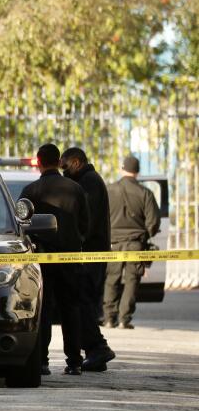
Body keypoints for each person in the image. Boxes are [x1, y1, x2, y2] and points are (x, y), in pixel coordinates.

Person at [20, 143, 88, 376]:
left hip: (42, 260)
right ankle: (74, 362)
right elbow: (84, 225)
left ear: (38, 161)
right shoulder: (75, 189)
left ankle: (42, 361)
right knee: (71, 309)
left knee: (43, 310)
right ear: (59, 162)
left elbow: (21, 226)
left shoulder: (31, 191)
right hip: (70, 259)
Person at [60, 147, 116, 372]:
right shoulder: (88, 181)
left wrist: (74, 240)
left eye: (65, 167)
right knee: (83, 303)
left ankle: (98, 347)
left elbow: (86, 221)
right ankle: (95, 352)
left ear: (75, 162)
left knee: (83, 303)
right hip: (90, 253)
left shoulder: (89, 182)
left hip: (90, 254)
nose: (63, 172)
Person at [104, 155, 161, 329]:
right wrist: (145, 236)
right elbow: (153, 221)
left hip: (113, 243)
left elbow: (99, 216)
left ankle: (108, 318)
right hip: (136, 244)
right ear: (137, 172)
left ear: (122, 169)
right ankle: (124, 319)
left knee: (111, 279)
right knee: (132, 280)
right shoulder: (146, 193)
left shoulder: (109, 190)